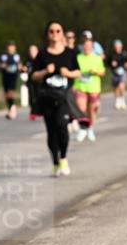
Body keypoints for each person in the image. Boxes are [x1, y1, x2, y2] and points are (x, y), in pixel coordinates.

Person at [31, 21, 80, 177]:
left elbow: (78, 72)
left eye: (58, 31)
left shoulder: (70, 53)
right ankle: (55, 162)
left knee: (62, 126)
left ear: (63, 33)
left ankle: (63, 158)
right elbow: (34, 75)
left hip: (64, 97)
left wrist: (69, 73)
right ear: (47, 34)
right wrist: (46, 71)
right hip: (47, 96)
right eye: (52, 31)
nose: (55, 34)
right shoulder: (42, 53)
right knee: (51, 131)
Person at [74, 32, 105, 142]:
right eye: (85, 46)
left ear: (92, 47)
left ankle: (90, 127)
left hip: (93, 87)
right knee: (81, 109)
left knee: (91, 110)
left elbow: (103, 72)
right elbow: (74, 71)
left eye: (89, 46)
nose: (87, 48)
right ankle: (83, 128)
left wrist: (95, 72)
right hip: (80, 86)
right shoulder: (78, 57)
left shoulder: (97, 58)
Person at [0, 41, 22, 120]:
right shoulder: (4, 56)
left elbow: (20, 65)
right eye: (9, 46)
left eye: (12, 46)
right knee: (6, 93)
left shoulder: (16, 56)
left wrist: (20, 67)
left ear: (15, 47)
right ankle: (10, 108)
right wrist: (2, 66)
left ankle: (12, 108)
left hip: (13, 76)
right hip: (5, 76)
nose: (11, 48)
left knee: (11, 92)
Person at [108, 39, 127, 110]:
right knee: (116, 87)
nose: (117, 47)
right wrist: (112, 64)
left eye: (119, 46)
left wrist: (126, 65)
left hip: (123, 72)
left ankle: (122, 100)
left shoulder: (124, 54)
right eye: (116, 46)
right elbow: (108, 63)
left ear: (121, 46)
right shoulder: (112, 55)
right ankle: (117, 101)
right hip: (115, 73)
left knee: (121, 85)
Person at [26, 44, 40, 120]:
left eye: (34, 50)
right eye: (31, 51)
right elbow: (23, 68)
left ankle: (37, 111)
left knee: (38, 96)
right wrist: (23, 68)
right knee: (31, 96)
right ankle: (33, 111)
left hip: (38, 82)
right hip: (30, 81)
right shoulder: (28, 61)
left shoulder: (40, 60)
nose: (32, 52)